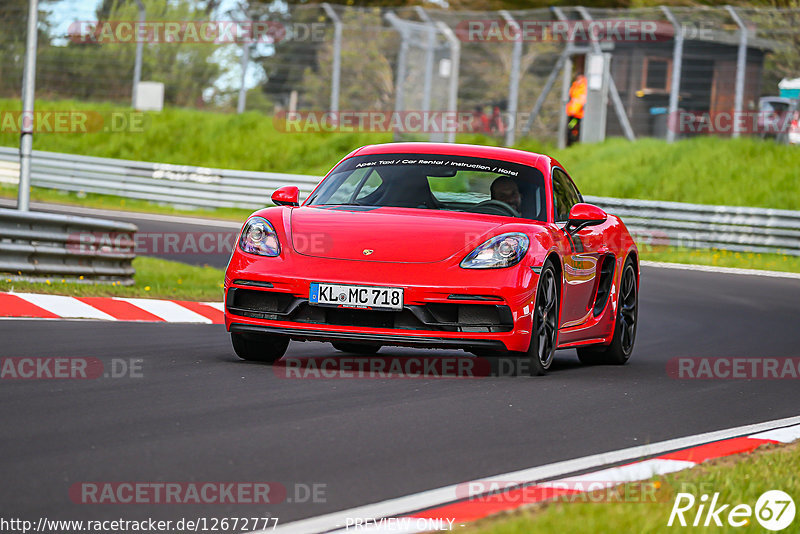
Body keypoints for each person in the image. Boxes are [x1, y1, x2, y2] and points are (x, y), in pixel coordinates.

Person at [566, 73, 587, 146]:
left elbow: (581, 101)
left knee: (573, 126)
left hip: (578, 114)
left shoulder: (583, 87)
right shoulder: (575, 85)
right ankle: (572, 141)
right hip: (572, 112)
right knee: (571, 127)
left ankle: (574, 141)